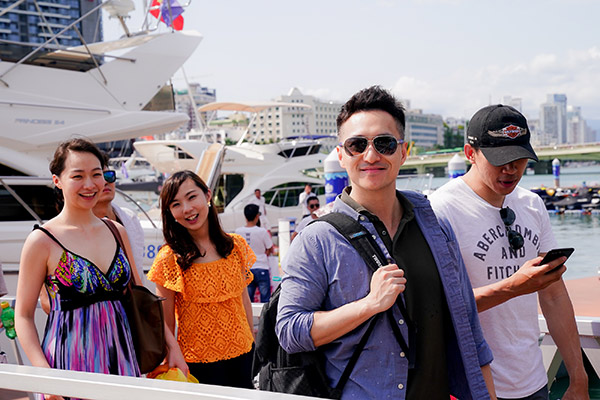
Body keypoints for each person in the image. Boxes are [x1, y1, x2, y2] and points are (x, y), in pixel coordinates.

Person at [276, 86, 496, 399]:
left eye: (384, 143)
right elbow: (290, 332)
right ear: (341, 155)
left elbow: (470, 331)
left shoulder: (436, 228)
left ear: (403, 151)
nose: (371, 155)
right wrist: (368, 305)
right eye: (356, 145)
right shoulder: (317, 239)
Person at [429, 104, 588, 400]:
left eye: (519, 158)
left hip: (534, 380)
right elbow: (437, 309)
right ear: (470, 153)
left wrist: (578, 378)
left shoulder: (531, 204)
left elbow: (554, 294)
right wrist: (515, 286)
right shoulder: (441, 211)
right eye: (500, 159)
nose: (511, 169)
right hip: (473, 386)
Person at [14, 138, 186, 400]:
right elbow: (24, 315)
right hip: (67, 365)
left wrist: (172, 346)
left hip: (121, 357)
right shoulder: (42, 241)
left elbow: (140, 296)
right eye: (78, 176)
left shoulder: (116, 232)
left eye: (97, 174)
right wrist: (45, 376)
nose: (90, 184)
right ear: (57, 180)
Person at [147, 170, 256, 389]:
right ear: (169, 212)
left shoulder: (235, 246)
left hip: (244, 355)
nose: (187, 209)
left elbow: (244, 300)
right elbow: (166, 321)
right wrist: (171, 358)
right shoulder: (169, 258)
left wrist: (254, 341)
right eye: (176, 204)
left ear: (207, 196)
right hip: (196, 363)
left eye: (191, 197)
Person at [93, 154, 145, 281]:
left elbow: (137, 269)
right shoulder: (81, 225)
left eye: (109, 176)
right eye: (98, 176)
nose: (105, 182)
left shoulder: (130, 218)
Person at [235, 204, 274, 303]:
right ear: (257, 216)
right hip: (261, 266)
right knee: (265, 301)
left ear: (245, 216)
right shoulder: (262, 231)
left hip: (246, 268)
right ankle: (265, 319)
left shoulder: (238, 232)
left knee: (248, 301)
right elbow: (270, 248)